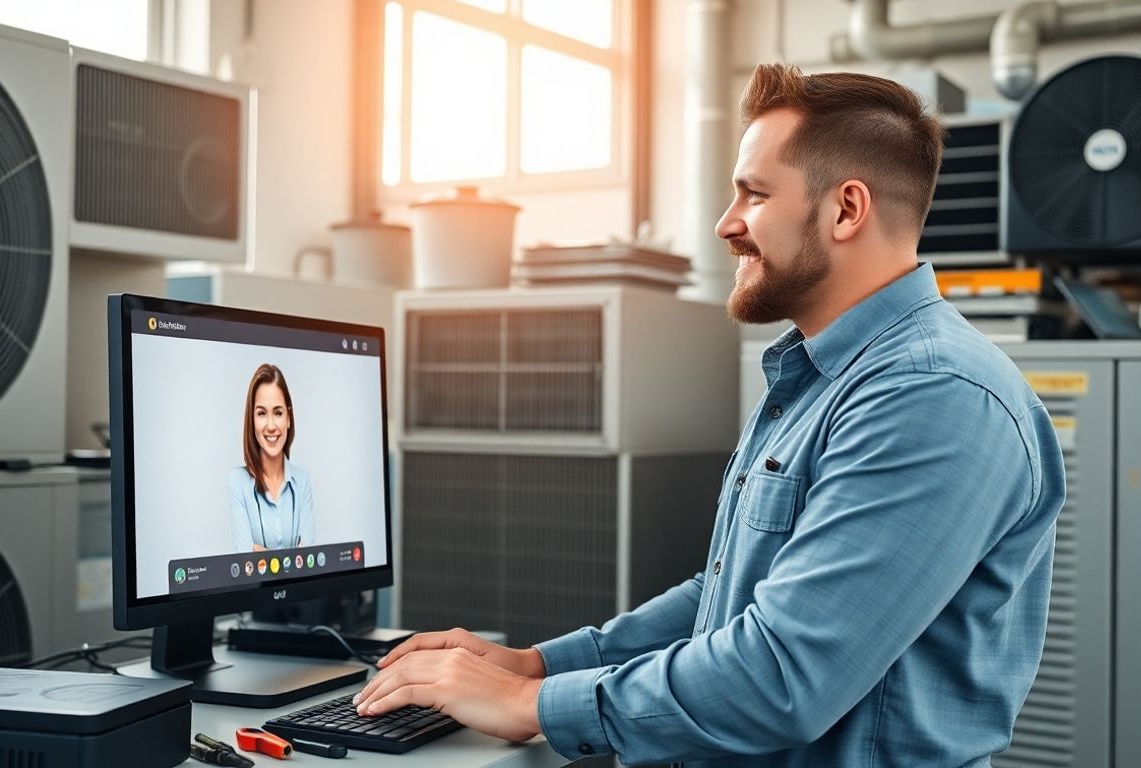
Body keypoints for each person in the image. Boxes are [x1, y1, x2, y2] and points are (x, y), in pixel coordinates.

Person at [352, 64, 1065, 767]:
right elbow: (730, 599)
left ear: (847, 210)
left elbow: (782, 677)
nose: (727, 223)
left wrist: (527, 705)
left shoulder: (930, 394)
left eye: (755, 194)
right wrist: (537, 664)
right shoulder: (819, 375)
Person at [230, 363, 314, 552]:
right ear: (252, 420)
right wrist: (293, 558)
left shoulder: (303, 481)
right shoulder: (238, 482)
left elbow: (308, 560)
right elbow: (247, 561)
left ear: (288, 418)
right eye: (261, 413)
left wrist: (261, 554)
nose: (270, 426)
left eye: (278, 413)